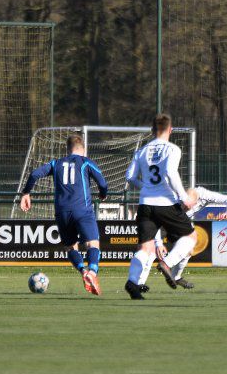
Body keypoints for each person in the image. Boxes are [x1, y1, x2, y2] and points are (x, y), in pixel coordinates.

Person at [19, 134, 109, 295]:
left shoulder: (56, 163)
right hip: (82, 210)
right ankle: (92, 272)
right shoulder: (85, 162)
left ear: (68, 149)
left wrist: (26, 193)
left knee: (70, 247)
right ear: (83, 149)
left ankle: (83, 271)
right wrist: (103, 194)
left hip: (62, 212)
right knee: (92, 244)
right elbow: (102, 183)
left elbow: (34, 174)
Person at [123, 114, 199, 299]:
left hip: (145, 205)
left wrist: (145, 187)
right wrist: (184, 197)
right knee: (191, 236)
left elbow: (130, 176)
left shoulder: (141, 151)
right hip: (166, 203)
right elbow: (170, 172)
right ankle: (167, 263)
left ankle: (132, 282)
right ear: (170, 130)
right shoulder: (173, 149)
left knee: (145, 248)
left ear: (152, 130)